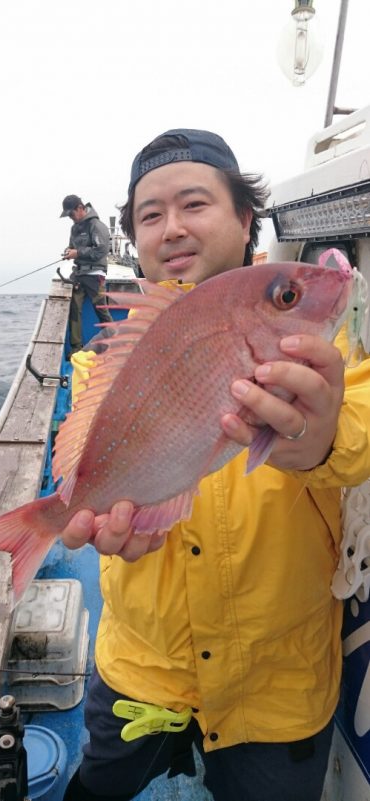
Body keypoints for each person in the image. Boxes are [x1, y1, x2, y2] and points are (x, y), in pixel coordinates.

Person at [59, 130, 370, 801]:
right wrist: (76, 512)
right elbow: (85, 488)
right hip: (140, 670)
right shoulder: (99, 367)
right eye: (149, 214)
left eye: (194, 203)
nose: (171, 227)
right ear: (134, 238)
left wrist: (318, 439)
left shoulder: (335, 351)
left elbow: (359, 418)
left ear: (245, 220)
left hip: (276, 689)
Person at [60, 194, 113, 354]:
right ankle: (76, 350)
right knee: (75, 310)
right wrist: (69, 251)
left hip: (95, 275)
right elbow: (73, 246)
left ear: (80, 208)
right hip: (79, 275)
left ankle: (114, 345)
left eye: (71, 214)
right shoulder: (74, 228)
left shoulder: (97, 225)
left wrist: (78, 253)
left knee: (101, 311)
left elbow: (101, 251)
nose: (70, 218)